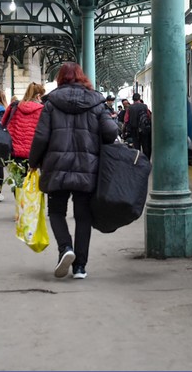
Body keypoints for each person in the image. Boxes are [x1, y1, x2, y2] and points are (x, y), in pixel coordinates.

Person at [28, 62, 118, 279]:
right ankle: (80, 267)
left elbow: (41, 137)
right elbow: (111, 131)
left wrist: (33, 162)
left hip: (56, 166)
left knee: (56, 212)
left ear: (60, 78)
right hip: (87, 167)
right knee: (83, 216)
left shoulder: (51, 103)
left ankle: (65, 248)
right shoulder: (96, 102)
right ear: (82, 77)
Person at [2, 82, 46, 178]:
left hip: (15, 153)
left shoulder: (14, 106)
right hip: (35, 154)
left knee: (18, 183)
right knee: (34, 185)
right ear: (38, 96)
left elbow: (3, 123)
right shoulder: (42, 110)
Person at [124, 93, 151, 158]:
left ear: (133, 99)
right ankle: (146, 161)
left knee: (136, 147)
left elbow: (126, 119)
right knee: (145, 146)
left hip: (134, 130)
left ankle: (138, 161)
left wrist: (124, 130)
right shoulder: (145, 106)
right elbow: (149, 116)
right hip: (144, 129)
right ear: (139, 98)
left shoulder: (130, 108)